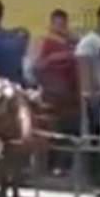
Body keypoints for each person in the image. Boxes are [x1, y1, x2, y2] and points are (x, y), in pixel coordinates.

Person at [34, 9, 79, 137]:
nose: (60, 28)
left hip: (71, 101)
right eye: (57, 24)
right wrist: (53, 58)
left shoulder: (72, 45)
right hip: (52, 99)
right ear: (51, 25)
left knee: (71, 136)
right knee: (53, 136)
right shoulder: (45, 43)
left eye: (63, 24)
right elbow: (37, 66)